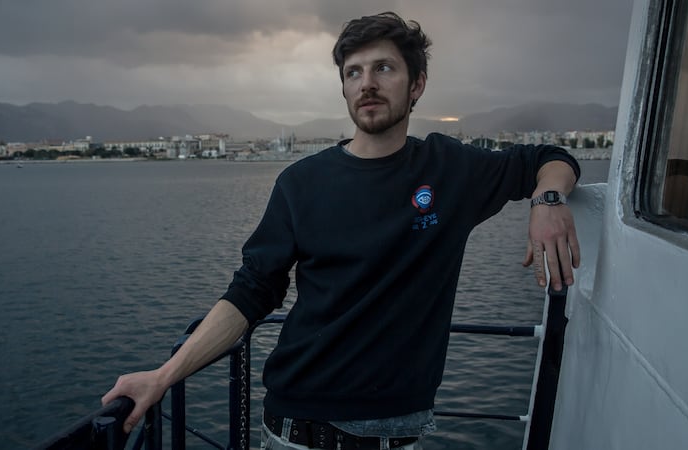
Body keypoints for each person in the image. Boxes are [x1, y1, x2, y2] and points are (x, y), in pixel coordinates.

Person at [102, 11, 581, 450]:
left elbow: (548, 159)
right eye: (353, 73)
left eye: (383, 69)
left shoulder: (449, 168)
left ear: (417, 84)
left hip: (391, 435)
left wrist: (548, 200)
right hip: (289, 431)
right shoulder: (301, 183)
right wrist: (164, 377)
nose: (366, 84)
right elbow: (252, 291)